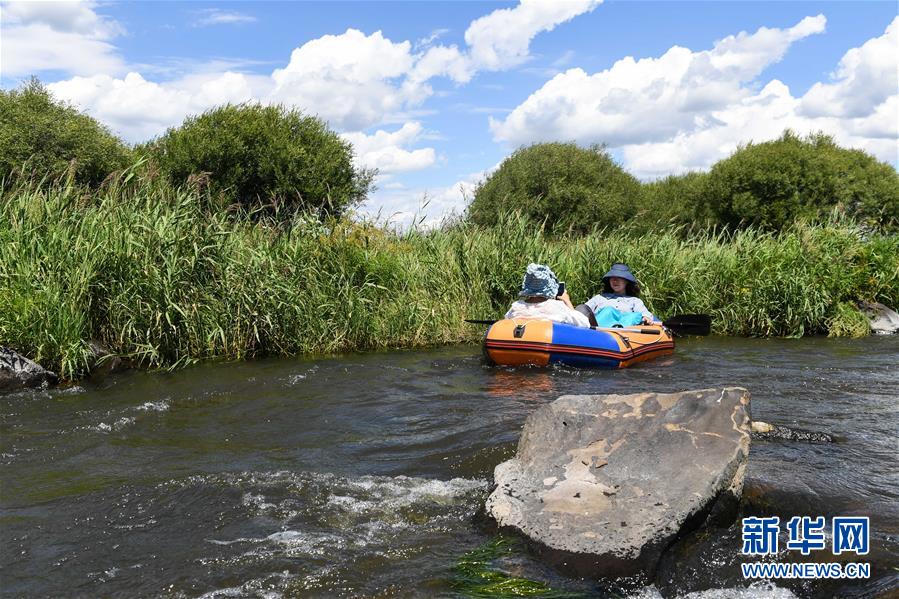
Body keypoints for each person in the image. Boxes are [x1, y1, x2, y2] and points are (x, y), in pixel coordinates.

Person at [505, 263, 590, 328]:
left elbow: (506, 320)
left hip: (524, 347)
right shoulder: (557, 307)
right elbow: (584, 324)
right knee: (583, 309)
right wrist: (567, 301)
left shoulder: (515, 307)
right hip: (549, 346)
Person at [584, 263, 659, 325]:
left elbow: (644, 314)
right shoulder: (599, 298)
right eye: (612, 278)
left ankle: (618, 328)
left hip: (626, 334)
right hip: (600, 331)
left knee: (635, 316)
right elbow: (583, 311)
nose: (615, 281)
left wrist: (646, 317)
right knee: (608, 310)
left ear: (626, 281)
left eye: (619, 278)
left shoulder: (634, 301)